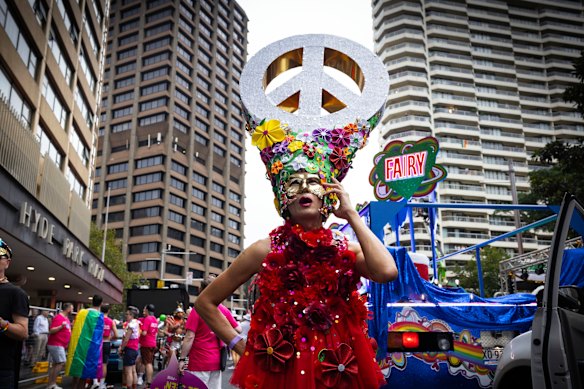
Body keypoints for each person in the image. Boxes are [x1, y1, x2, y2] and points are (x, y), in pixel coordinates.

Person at [193, 115, 398, 388]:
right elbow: (205, 302)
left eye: (314, 182)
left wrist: (351, 215)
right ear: (283, 200)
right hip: (280, 371)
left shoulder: (343, 248)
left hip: (336, 368)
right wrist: (242, 347)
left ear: (327, 196)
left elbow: (386, 271)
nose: (304, 188)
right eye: (293, 183)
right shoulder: (264, 250)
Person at [179, 275, 241, 389]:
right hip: (217, 360)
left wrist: (182, 359)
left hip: (199, 360)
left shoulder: (197, 309)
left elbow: (189, 337)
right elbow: (238, 329)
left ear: (201, 290)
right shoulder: (223, 310)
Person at [0, 238, 29, 389]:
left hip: (2, 368)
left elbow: (23, 332)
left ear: (7, 262)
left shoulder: (16, 293)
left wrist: (2, 324)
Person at [65, 294, 104, 389]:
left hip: (79, 346)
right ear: (101, 304)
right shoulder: (99, 316)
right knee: (84, 375)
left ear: (92, 302)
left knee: (76, 374)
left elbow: (75, 327)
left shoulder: (81, 313)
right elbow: (99, 336)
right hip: (91, 349)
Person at [47, 303, 73, 389]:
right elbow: (51, 330)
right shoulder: (59, 317)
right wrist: (61, 327)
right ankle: (52, 384)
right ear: (68, 309)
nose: (72, 310)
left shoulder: (66, 318)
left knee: (56, 364)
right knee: (61, 362)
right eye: (72, 308)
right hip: (56, 344)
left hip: (60, 344)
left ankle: (51, 384)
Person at [96, 304, 117, 389]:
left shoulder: (97, 320)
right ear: (108, 311)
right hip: (106, 343)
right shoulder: (111, 321)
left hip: (97, 343)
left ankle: (94, 381)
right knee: (104, 364)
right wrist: (110, 338)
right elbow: (116, 334)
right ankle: (101, 383)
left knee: (95, 362)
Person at [119, 306, 140, 389]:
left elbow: (126, 339)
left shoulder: (131, 325)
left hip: (130, 349)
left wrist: (122, 348)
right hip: (134, 349)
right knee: (133, 370)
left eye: (127, 314)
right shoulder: (136, 323)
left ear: (132, 315)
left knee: (128, 372)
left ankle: (129, 387)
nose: (126, 316)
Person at [139, 304, 158, 388]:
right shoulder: (154, 319)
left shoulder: (147, 319)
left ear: (147, 310)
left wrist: (137, 332)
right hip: (152, 343)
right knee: (146, 362)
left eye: (144, 309)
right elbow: (155, 333)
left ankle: (149, 383)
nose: (143, 311)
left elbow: (144, 332)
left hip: (146, 344)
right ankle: (141, 378)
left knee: (148, 363)